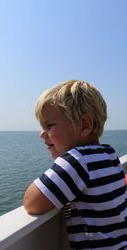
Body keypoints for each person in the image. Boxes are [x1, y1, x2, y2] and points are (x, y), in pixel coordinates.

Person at [23, 80, 127, 249]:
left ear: (84, 125)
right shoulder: (109, 154)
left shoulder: (77, 160)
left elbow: (32, 203)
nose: (42, 134)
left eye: (49, 125)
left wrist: (61, 164)